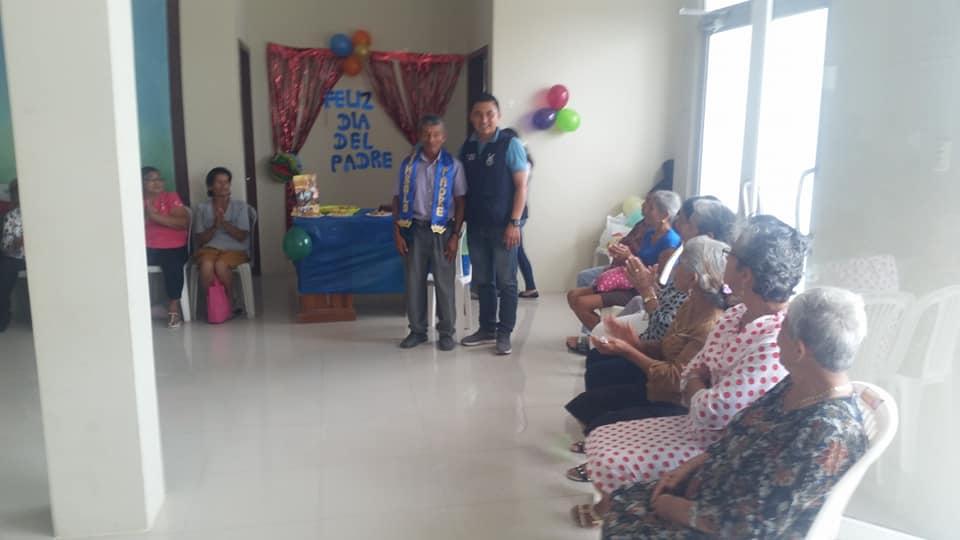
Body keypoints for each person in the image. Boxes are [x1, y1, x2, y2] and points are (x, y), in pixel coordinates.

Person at [572, 215, 810, 528]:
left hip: (717, 449)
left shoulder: (773, 340)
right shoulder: (737, 315)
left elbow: (712, 412)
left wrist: (697, 385)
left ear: (746, 274)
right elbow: (693, 373)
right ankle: (615, 506)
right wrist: (700, 384)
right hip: (693, 425)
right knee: (602, 436)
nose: (725, 259)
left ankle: (619, 509)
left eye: (730, 254)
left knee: (611, 454)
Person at [599, 287, 869, 539]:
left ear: (799, 350)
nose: (776, 337)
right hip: (717, 491)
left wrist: (679, 510)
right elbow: (740, 432)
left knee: (624, 523)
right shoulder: (799, 382)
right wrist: (689, 467)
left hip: (726, 526)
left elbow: (757, 526)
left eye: (783, 329)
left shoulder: (828, 434)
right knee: (620, 498)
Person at [564, 237, 729, 482]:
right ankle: (596, 442)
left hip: (674, 398)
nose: (674, 269)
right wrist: (635, 343)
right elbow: (666, 345)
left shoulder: (710, 323)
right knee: (598, 367)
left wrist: (629, 350)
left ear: (693, 279)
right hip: (661, 376)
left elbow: (675, 380)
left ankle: (601, 458)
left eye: (680, 264)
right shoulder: (691, 303)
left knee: (598, 414)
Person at [566, 197, 736, 354]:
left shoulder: (699, 275)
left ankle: (597, 344)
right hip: (647, 305)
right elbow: (667, 296)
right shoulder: (682, 251)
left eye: (687, 223)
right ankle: (597, 343)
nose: (678, 225)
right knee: (598, 321)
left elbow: (662, 330)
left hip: (655, 332)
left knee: (603, 334)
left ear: (708, 237)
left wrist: (646, 289)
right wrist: (649, 283)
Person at [458, 93, 530, 355]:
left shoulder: (510, 144)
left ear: (498, 116)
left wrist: (515, 223)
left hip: (504, 225)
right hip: (476, 225)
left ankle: (504, 333)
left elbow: (521, 187)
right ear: (471, 117)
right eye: (478, 114)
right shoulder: (467, 148)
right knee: (483, 280)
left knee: (506, 281)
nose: (484, 119)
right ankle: (486, 328)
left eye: (489, 114)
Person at [393, 115, 466, 351]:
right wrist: (397, 232)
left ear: (443, 137)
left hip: (443, 231)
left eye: (436, 134)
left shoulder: (453, 166)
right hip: (413, 229)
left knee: (444, 284)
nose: (431, 139)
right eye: (426, 134)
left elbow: (460, 202)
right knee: (414, 282)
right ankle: (417, 331)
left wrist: (455, 236)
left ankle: (446, 332)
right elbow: (396, 199)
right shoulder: (408, 165)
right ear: (419, 136)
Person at [566, 191, 681, 334]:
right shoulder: (650, 232)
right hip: (629, 282)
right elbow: (638, 260)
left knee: (581, 303)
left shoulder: (670, 243)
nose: (644, 210)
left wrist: (630, 257)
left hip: (639, 290)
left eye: (651, 208)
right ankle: (601, 336)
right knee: (572, 295)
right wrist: (621, 256)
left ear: (664, 215)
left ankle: (605, 337)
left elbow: (659, 283)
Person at [193, 167, 251, 311]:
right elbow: (200, 239)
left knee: (220, 265)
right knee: (206, 265)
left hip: (235, 249)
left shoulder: (240, 206)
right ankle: (212, 304)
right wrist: (214, 226)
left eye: (226, 182)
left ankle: (230, 301)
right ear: (210, 186)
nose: (224, 186)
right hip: (209, 249)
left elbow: (242, 236)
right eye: (219, 182)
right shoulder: (202, 208)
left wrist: (224, 223)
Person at [142, 167, 190, 328]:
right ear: (141, 182)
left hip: (173, 246)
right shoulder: (133, 199)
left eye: (159, 179)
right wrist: (146, 217)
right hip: (146, 247)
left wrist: (155, 217)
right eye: (151, 179)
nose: (157, 183)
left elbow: (182, 223)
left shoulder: (170, 197)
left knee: (173, 263)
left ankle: (173, 307)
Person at [0, 179, 24, 332]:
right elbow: (5, 247)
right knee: (4, 275)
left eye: (18, 191)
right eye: (14, 192)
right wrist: (17, 243)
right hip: (16, 258)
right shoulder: (11, 216)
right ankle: (3, 319)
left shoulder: (41, 212)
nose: (16, 195)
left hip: (40, 257)